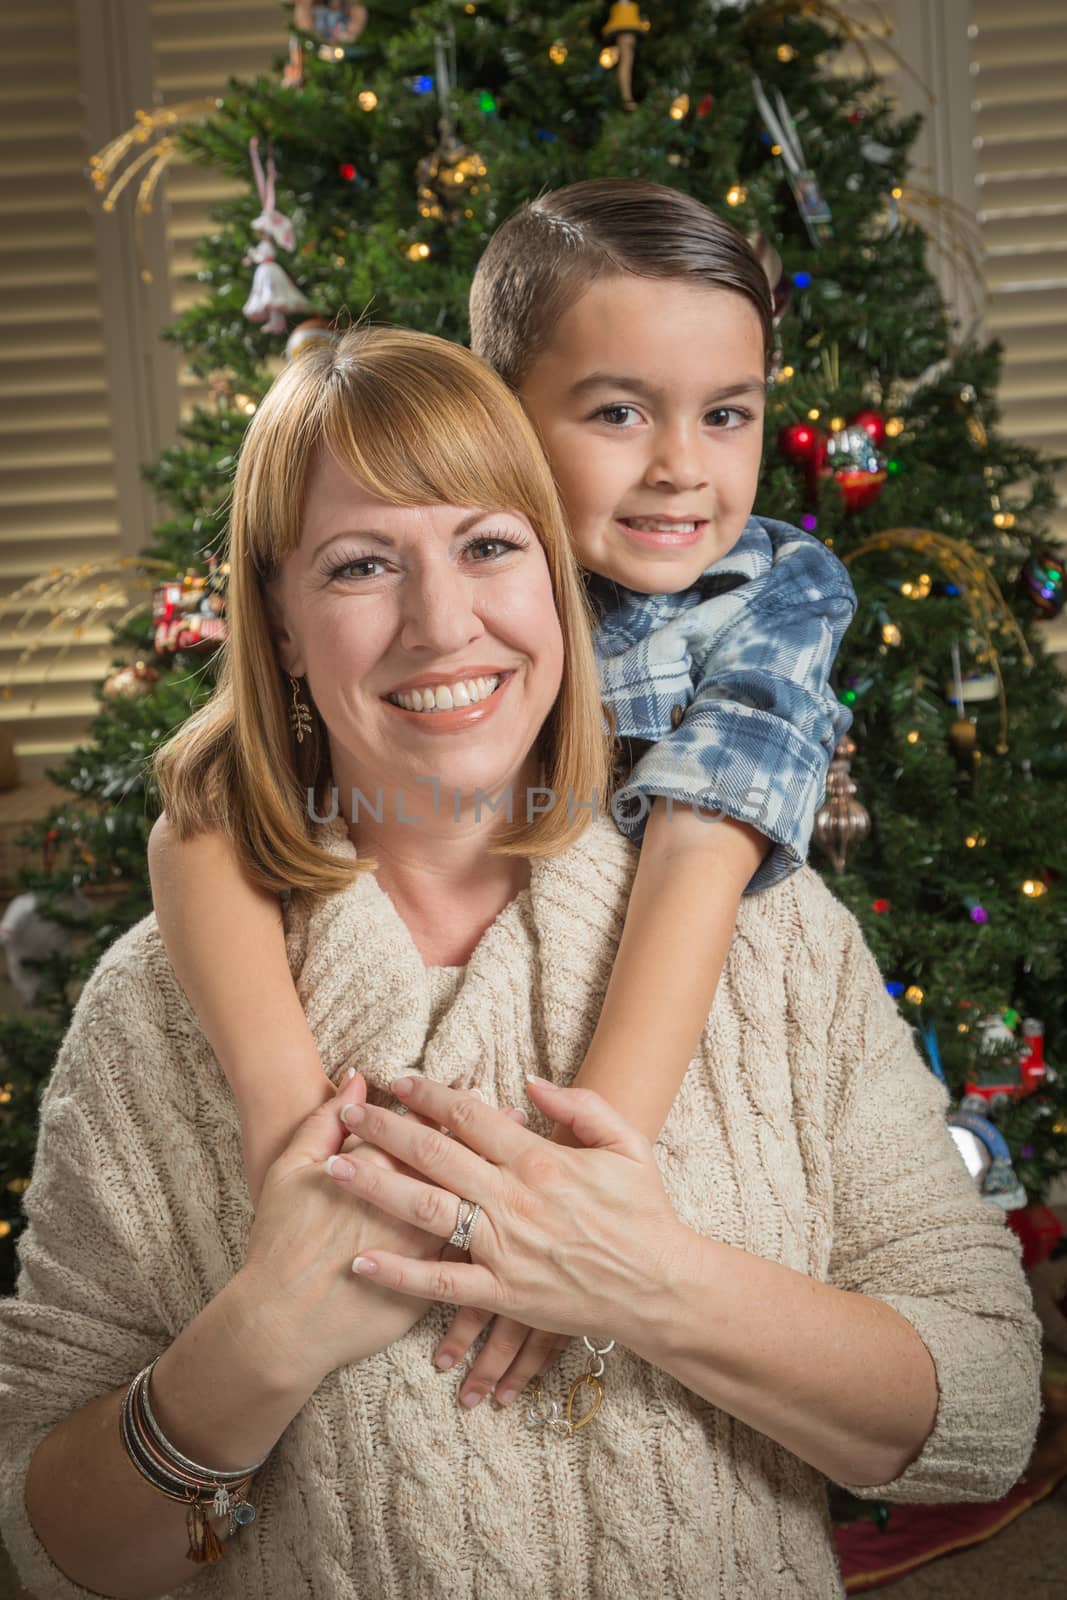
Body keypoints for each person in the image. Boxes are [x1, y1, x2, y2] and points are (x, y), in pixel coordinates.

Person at [0, 328, 1042, 1600]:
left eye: (489, 547)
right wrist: (258, 1339)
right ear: (275, 623)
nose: (443, 625)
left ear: (557, 581)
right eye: (361, 564)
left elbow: (982, 1412)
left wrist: (650, 1282)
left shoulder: (770, 934)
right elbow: (50, 1554)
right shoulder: (153, 1009)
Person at [147, 180, 857, 1404]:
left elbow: (700, 847)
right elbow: (205, 806)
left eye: (728, 414)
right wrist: (289, 1144)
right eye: (620, 411)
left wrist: (572, 1200)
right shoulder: (453, 568)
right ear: (501, 424)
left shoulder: (765, 595)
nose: (680, 469)